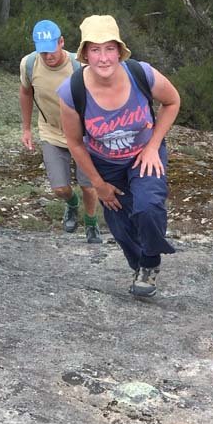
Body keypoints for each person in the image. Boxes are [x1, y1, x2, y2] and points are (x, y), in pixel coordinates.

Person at [57, 15, 181, 300]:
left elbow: (172, 101)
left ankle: (150, 262)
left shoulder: (142, 74)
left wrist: (153, 146)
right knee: (122, 228)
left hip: (143, 156)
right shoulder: (72, 91)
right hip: (104, 165)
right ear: (85, 53)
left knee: (148, 207)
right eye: (95, 49)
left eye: (109, 48)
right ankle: (139, 267)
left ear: (119, 50)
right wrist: (97, 183)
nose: (103, 58)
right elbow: (75, 143)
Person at [19, 19, 102, 242]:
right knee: (60, 188)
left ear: (62, 42)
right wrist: (26, 129)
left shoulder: (79, 67)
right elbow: (26, 93)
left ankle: (92, 224)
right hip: (51, 133)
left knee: (88, 185)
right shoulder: (29, 64)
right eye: (43, 52)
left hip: (83, 136)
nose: (48, 56)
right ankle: (71, 204)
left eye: (52, 50)